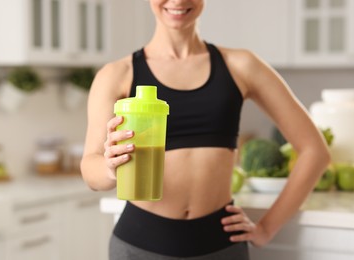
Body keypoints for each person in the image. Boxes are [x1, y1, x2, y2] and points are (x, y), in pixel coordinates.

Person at [81, 0, 331, 259]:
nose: (178, 1)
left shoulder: (241, 65)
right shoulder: (116, 75)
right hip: (141, 247)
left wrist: (267, 228)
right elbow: (90, 169)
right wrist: (111, 168)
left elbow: (315, 151)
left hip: (221, 246)